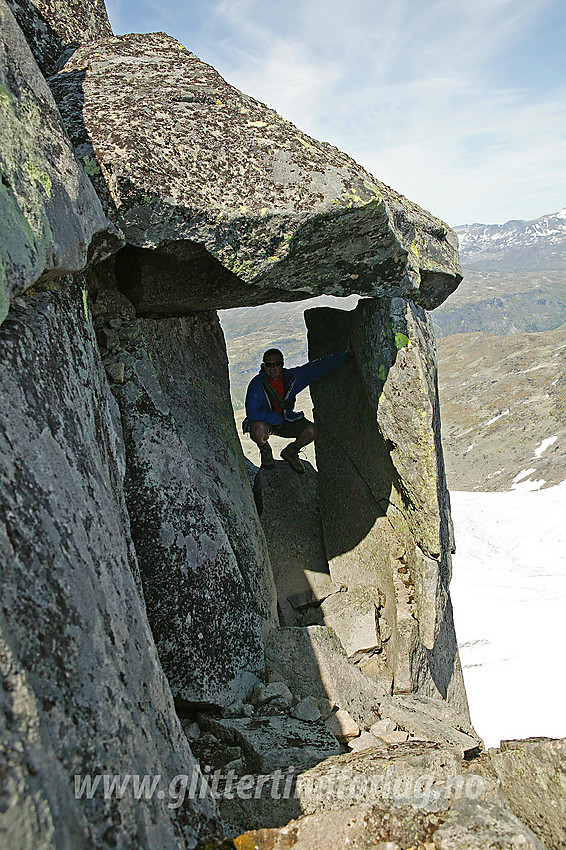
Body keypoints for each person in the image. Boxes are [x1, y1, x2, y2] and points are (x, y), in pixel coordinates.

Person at [243, 347, 350, 473]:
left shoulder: (291, 378)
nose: (272, 368)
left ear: (282, 365)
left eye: (276, 364)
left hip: (286, 419)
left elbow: (317, 368)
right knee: (258, 431)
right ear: (263, 366)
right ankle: (264, 449)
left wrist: (346, 356)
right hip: (267, 423)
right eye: (268, 365)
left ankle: (291, 452)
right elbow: (253, 413)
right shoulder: (257, 384)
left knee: (311, 431)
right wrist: (276, 418)